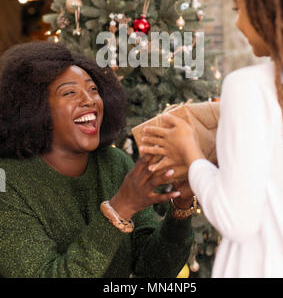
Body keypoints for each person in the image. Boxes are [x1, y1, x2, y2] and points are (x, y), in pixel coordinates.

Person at [140, 0, 283, 278]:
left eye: (239, 8)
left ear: (270, 10)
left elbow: (235, 218)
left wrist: (191, 154)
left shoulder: (249, 86)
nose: (239, 22)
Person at [0, 41, 195, 278]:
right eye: (70, 92)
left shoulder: (115, 162)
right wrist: (119, 208)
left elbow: (153, 269)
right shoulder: (8, 183)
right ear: (34, 108)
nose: (90, 100)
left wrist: (182, 205)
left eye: (93, 90)